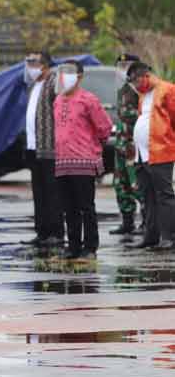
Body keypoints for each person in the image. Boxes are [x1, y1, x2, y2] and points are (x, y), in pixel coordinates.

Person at [53, 60, 112, 260]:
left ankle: (90, 247)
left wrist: (93, 146)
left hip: (84, 161)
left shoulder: (89, 100)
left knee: (86, 206)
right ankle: (73, 246)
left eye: (69, 72)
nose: (64, 76)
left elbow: (104, 127)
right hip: (62, 161)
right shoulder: (58, 100)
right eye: (62, 72)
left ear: (79, 76)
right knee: (68, 207)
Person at [126, 62, 175, 250]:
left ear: (145, 76)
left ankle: (168, 237)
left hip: (160, 152)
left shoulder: (167, 90)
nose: (135, 86)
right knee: (148, 196)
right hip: (142, 155)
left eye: (136, 81)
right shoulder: (143, 95)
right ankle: (151, 236)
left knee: (164, 196)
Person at [22, 51, 64, 247]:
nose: (30, 66)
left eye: (33, 62)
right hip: (33, 146)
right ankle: (42, 231)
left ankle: (56, 232)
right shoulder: (34, 85)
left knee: (52, 192)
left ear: (45, 65)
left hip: (50, 147)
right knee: (38, 192)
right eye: (28, 62)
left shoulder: (54, 83)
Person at [110, 54, 146, 237]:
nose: (122, 69)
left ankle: (148, 222)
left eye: (126, 65)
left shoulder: (141, 89)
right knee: (120, 183)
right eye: (120, 65)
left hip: (135, 145)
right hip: (121, 144)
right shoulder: (122, 90)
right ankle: (127, 221)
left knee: (138, 185)